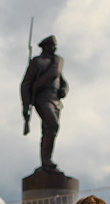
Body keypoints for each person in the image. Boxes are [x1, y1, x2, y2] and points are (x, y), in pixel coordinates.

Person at [20, 35, 68, 172]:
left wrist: (64, 89)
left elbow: (61, 80)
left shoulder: (57, 62)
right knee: (53, 125)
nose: (54, 48)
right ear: (45, 47)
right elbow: (26, 84)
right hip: (42, 99)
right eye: (52, 45)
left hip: (56, 100)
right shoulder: (37, 62)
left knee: (49, 130)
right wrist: (25, 105)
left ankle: (46, 161)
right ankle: (47, 161)